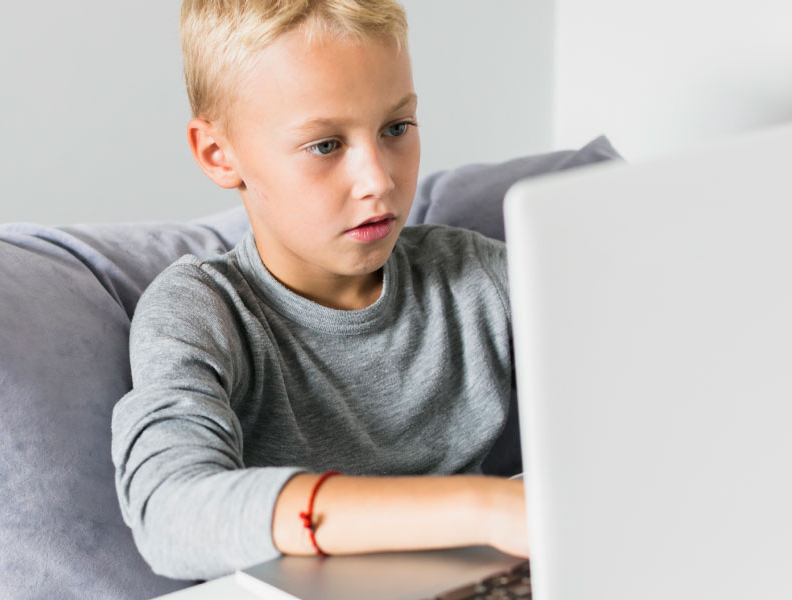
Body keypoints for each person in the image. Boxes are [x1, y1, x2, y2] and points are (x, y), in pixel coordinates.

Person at [111, 0, 526, 580]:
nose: (379, 180)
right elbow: (172, 513)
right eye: (326, 145)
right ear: (218, 153)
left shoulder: (478, 277)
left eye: (396, 128)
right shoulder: (205, 311)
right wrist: (484, 509)